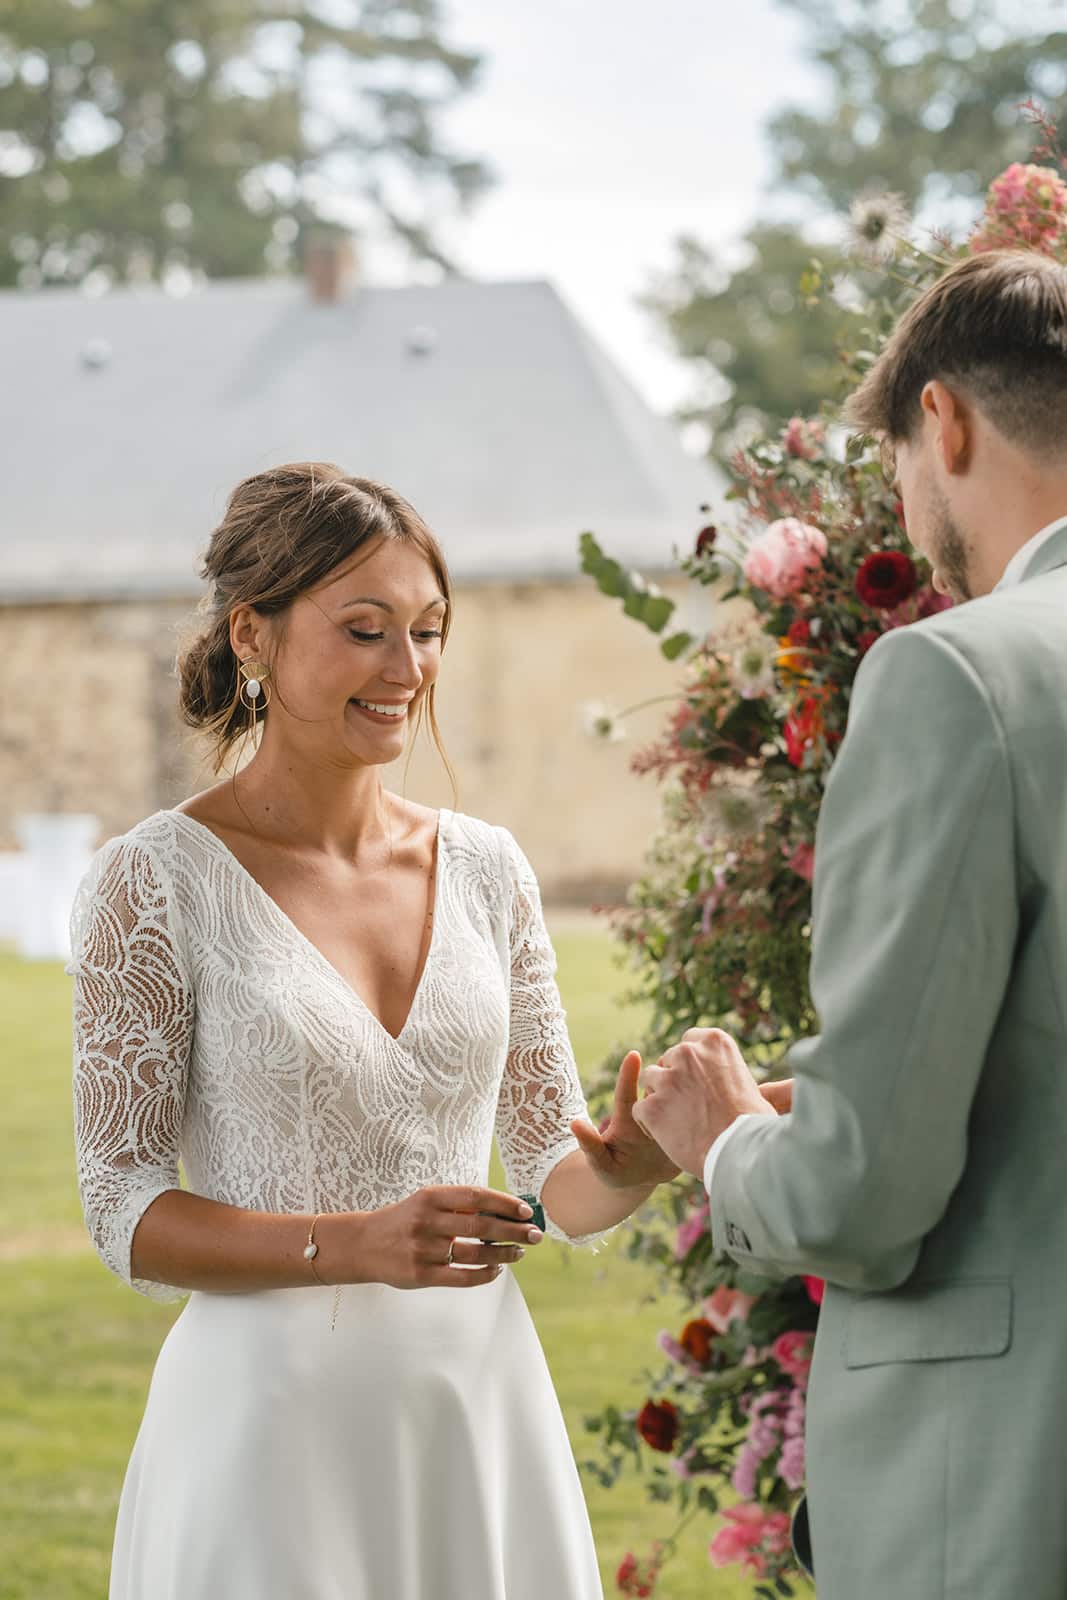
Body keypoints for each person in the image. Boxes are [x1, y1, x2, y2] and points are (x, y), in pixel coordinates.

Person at [69, 463, 678, 1600]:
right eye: (365, 630)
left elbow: (554, 1175)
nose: (407, 671)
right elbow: (122, 1209)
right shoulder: (149, 881)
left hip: (474, 1410)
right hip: (265, 1433)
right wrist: (354, 1244)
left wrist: (628, 1165)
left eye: (427, 630)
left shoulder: (489, 869)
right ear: (252, 634)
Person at [631, 249, 1067, 1599]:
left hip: (1005, 1489)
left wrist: (730, 1144)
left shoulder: (959, 674)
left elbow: (858, 1193)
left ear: (939, 422)